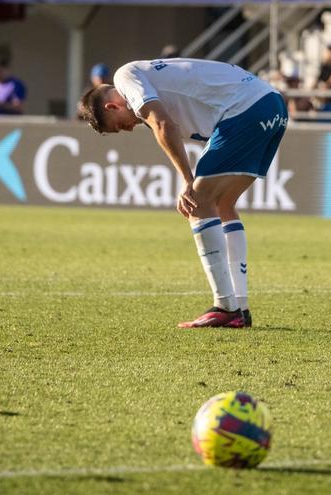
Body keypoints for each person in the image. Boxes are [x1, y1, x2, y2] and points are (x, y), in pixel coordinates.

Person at [77, 59, 287, 328]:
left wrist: (187, 180)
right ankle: (240, 308)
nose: (128, 129)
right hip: (273, 105)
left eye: (119, 126)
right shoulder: (153, 82)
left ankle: (225, 306)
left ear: (112, 106)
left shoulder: (125, 77)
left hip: (245, 109)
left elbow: (163, 124)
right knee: (223, 205)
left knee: (197, 204)